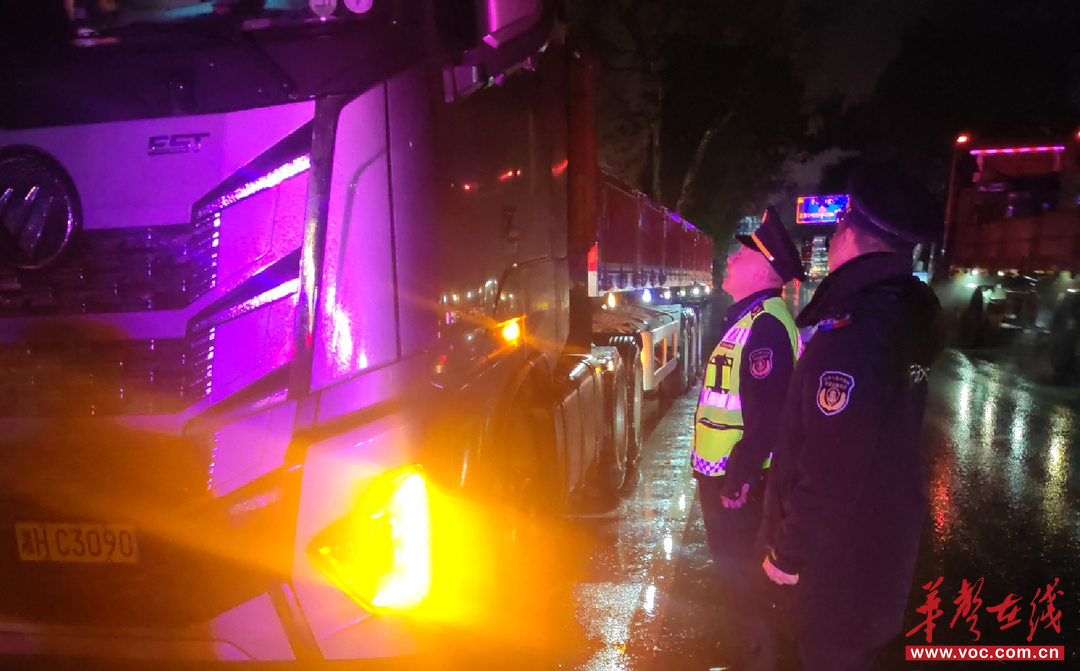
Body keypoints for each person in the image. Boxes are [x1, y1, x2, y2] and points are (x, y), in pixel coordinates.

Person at [756, 163, 946, 671]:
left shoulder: (856, 331)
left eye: (840, 226)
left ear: (851, 235)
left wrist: (787, 553)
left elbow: (832, 464)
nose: (835, 235)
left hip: (838, 572)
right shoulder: (896, 314)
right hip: (869, 559)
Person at [691, 206, 804, 666]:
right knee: (735, 583)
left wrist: (739, 477)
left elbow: (769, 414)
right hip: (730, 479)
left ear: (764, 271)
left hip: (740, 486)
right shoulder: (752, 318)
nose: (730, 260)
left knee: (745, 586)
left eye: (741, 256)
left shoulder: (766, 325)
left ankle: (756, 661)